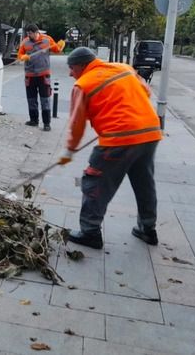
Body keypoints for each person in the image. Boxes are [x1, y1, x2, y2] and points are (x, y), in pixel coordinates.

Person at [58, 47, 163, 249]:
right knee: (144, 183)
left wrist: (69, 151)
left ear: (81, 65)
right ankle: (148, 229)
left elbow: (77, 124)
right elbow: (146, 91)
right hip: (150, 132)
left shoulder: (83, 84)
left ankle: (90, 232)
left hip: (119, 139)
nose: (70, 73)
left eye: (71, 68)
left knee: (95, 181)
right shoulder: (123, 68)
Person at [17, 24, 64, 131]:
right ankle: (33, 120)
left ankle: (46, 123)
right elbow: (19, 56)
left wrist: (61, 45)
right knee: (31, 99)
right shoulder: (25, 42)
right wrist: (22, 57)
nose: (29, 35)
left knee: (45, 100)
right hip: (30, 75)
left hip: (43, 75)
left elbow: (57, 50)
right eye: (27, 33)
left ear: (36, 32)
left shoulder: (47, 40)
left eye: (30, 33)